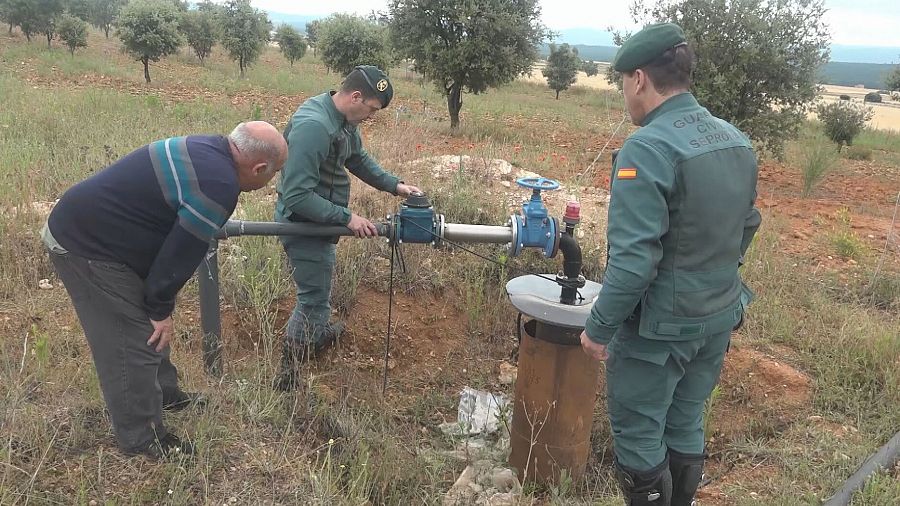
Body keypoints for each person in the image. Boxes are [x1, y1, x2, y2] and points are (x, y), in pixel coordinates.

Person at [579, 24, 762, 505]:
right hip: (718, 316)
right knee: (684, 421)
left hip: (659, 331)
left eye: (624, 83)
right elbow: (747, 224)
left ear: (639, 79)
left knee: (640, 436)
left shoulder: (648, 148)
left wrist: (598, 329)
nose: (625, 96)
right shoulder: (735, 139)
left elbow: (634, 261)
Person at [43, 121, 288, 459]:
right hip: (86, 245)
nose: (270, 181)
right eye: (274, 174)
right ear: (260, 168)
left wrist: (157, 304)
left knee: (147, 328)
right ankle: (141, 438)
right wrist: (160, 308)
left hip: (104, 234)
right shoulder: (220, 185)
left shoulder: (208, 148)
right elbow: (180, 253)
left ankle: (166, 395)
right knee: (134, 340)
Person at [274, 65, 420, 390]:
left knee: (319, 290)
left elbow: (357, 159)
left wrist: (395, 186)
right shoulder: (314, 126)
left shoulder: (343, 119)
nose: (371, 117)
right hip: (303, 225)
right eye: (371, 110)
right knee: (312, 299)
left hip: (321, 221)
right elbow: (297, 196)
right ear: (356, 97)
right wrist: (346, 218)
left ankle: (317, 331)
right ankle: (288, 376)